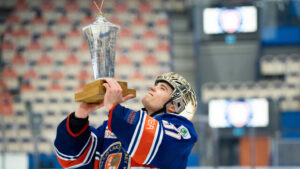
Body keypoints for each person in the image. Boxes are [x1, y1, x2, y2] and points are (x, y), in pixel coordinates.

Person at [54, 72, 198, 169]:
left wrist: (114, 108)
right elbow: (71, 159)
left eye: (162, 88)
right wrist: (79, 117)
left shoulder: (182, 133)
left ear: (175, 106)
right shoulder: (113, 128)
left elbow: (150, 137)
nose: (152, 87)